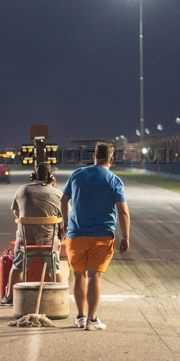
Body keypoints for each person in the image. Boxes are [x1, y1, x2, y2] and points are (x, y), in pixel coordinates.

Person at [59, 142, 129, 331]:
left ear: (94, 157)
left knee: (78, 276)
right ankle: (92, 319)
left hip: (76, 235)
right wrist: (125, 237)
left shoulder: (77, 174)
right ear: (111, 159)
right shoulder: (114, 180)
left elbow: (63, 200)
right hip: (102, 236)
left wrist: (65, 223)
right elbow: (123, 212)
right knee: (94, 277)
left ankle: (80, 317)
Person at [1, 163, 62, 306]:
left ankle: (10, 297)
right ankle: (60, 298)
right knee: (56, 268)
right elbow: (65, 216)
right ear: (51, 178)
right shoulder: (58, 194)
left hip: (25, 241)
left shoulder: (22, 190)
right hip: (49, 242)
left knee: (17, 267)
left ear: (33, 176)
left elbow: (16, 214)